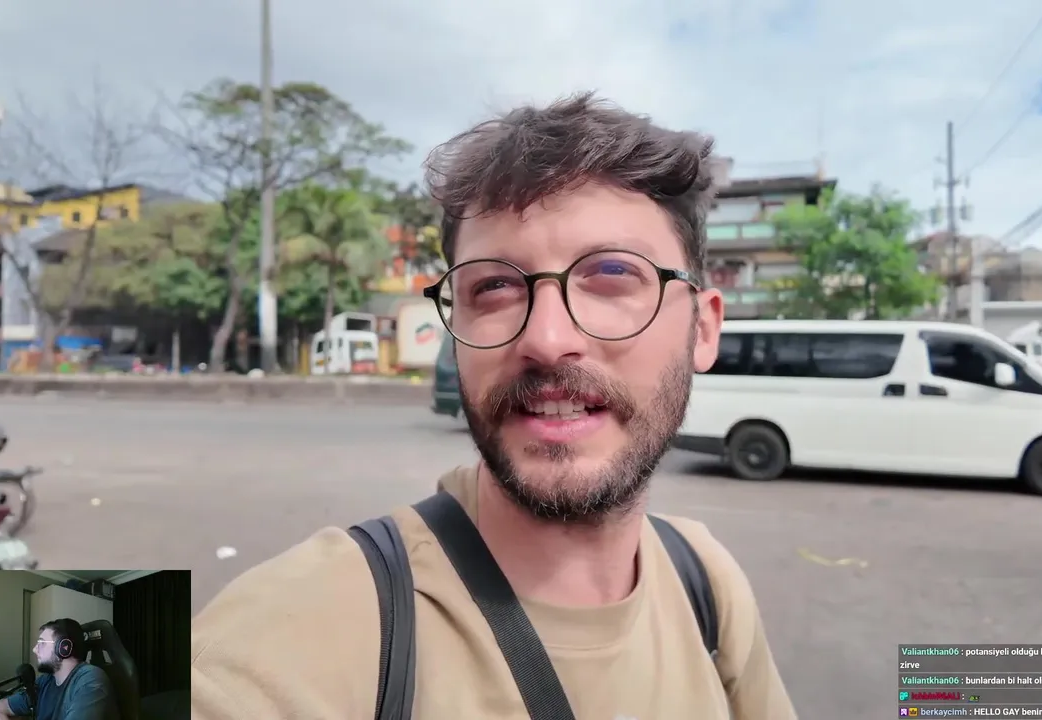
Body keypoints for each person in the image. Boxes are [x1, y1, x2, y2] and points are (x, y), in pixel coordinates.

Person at [192, 92, 796, 719]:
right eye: (495, 286)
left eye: (613, 274)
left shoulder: (706, 582)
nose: (547, 339)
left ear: (703, 330)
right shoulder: (306, 627)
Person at [0, 618, 118, 720]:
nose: (34, 649)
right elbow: (7, 705)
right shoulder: (46, 681)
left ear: (64, 648)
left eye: (41, 643)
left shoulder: (91, 681)